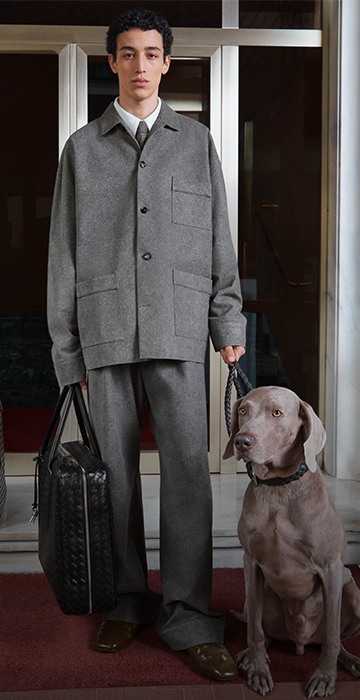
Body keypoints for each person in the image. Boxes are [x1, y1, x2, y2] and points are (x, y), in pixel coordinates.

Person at [47, 7, 246, 682]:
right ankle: (128, 598)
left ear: (168, 63)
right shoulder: (81, 149)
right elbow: (63, 258)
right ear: (112, 64)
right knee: (117, 480)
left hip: (181, 327)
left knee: (188, 472)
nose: (139, 66)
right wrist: (65, 353)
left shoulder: (196, 143)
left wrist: (228, 327)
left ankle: (189, 613)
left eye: (151, 53)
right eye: (127, 54)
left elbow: (219, 242)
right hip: (103, 331)